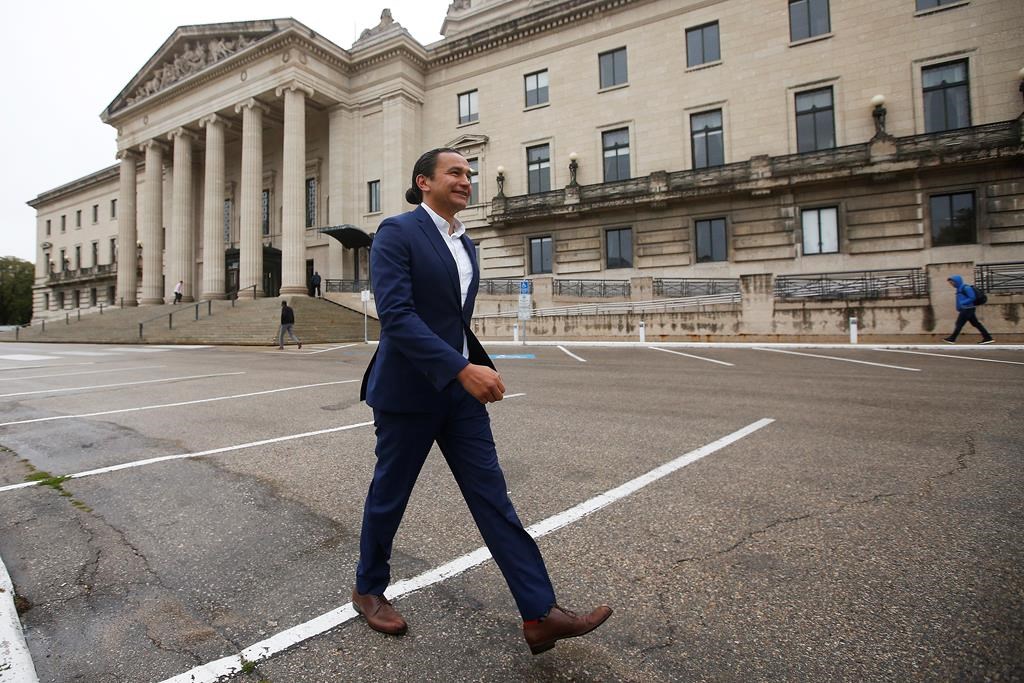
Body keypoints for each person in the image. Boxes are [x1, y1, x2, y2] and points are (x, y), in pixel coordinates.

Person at [354, 148, 611, 655]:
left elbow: (453, 320)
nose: (466, 180)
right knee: (390, 495)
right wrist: (461, 367)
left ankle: (539, 614)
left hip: (459, 395)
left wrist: (472, 366)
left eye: (469, 174)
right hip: (407, 393)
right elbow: (397, 315)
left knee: (494, 498)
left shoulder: (467, 245)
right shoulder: (397, 232)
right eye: (455, 172)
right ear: (423, 181)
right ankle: (368, 589)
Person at [944, 274, 993, 344]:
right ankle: (988, 337)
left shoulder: (966, 288)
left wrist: (963, 303)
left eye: (952, 282)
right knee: (976, 324)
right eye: (950, 283)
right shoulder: (959, 289)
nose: (951, 284)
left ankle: (952, 338)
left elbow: (972, 297)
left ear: (957, 281)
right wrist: (959, 308)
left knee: (959, 323)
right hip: (967, 309)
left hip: (967, 308)